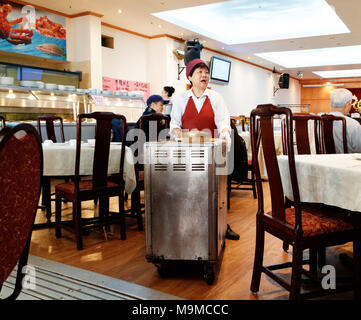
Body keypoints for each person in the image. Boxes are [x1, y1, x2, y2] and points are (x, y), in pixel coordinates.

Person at [170, 58, 239, 240]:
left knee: (215, 192)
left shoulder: (216, 97)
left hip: (211, 152)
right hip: (187, 153)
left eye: (206, 72)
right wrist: (177, 132)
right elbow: (174, 124)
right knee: (189, 191)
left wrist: (224, 133)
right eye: (199, 72)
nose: (204, 75)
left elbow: (224, 121)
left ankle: (221, 225)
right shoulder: (181, 99)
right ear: (190, 77)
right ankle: (188, 226)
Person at [329, 88, 361, 153]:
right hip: (349, 162)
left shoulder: (317, 122)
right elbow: (359, 150)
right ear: (348, 104)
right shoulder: (353, 125)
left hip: (322, 162)